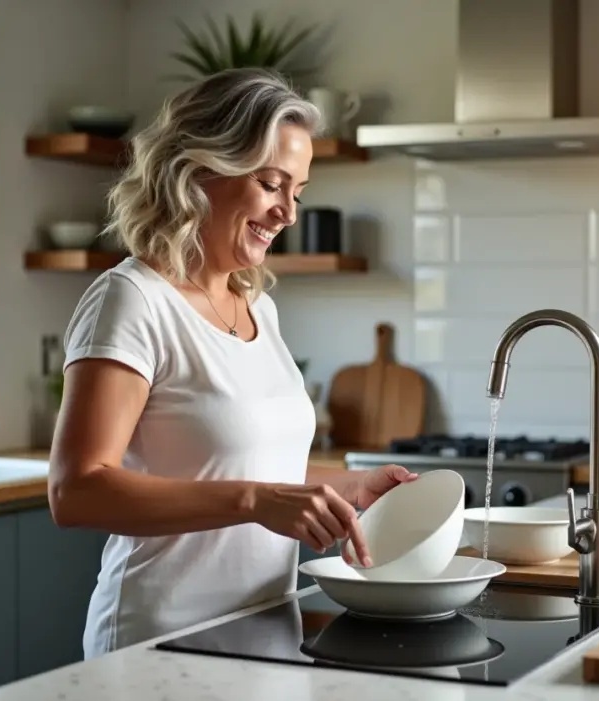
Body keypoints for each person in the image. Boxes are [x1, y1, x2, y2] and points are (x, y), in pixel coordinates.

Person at [47, 67, 417, 659]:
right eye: (272, 184)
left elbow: (248, 469)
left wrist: (349, 489)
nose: (287, 214)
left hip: (267, 634)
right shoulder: (132, 300)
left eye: (297, 192)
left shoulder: (258, 309)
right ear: (201, 169)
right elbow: (76, 492)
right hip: (159, 645)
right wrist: (254, 501)